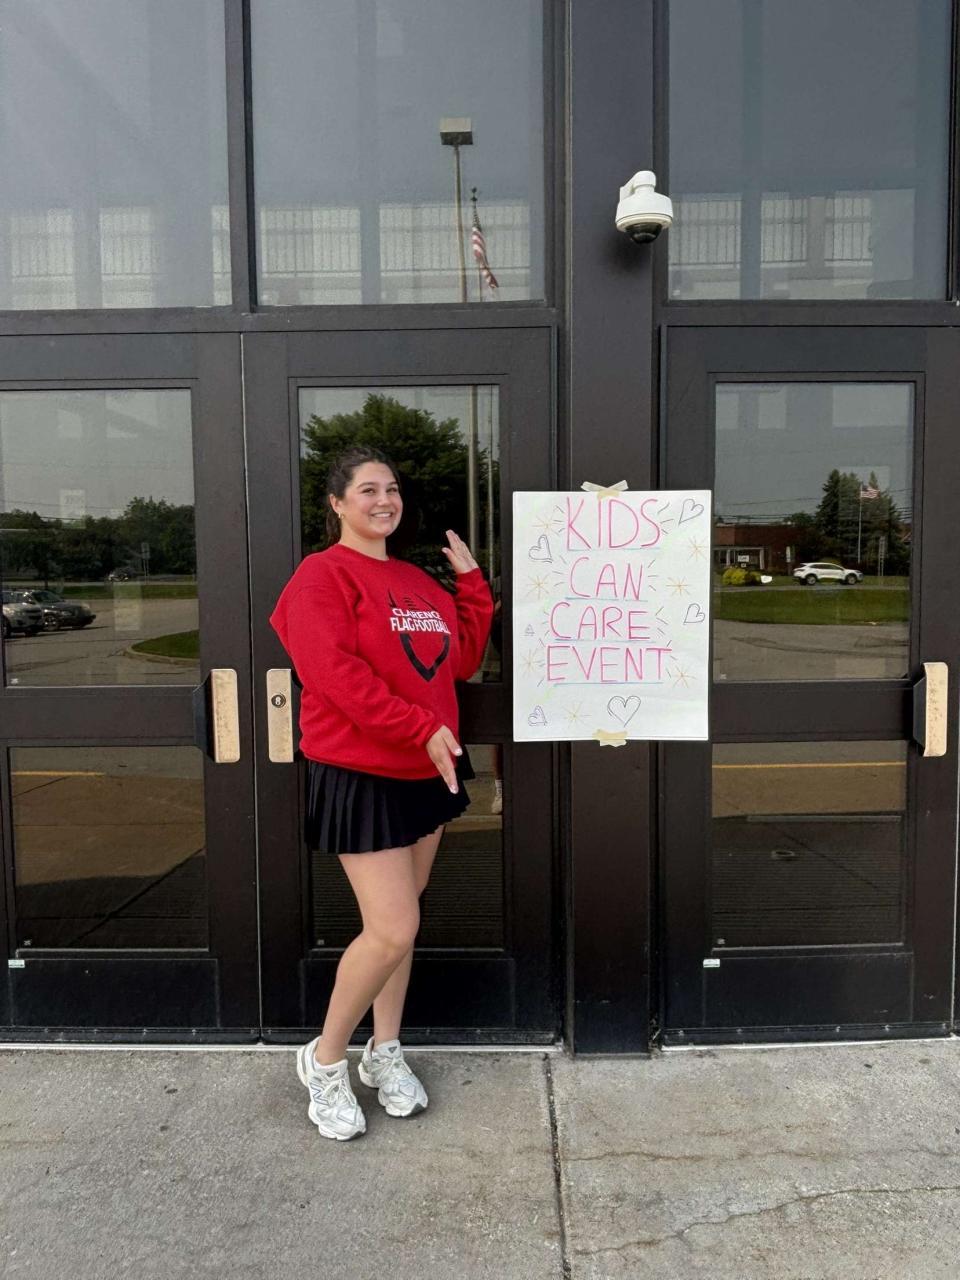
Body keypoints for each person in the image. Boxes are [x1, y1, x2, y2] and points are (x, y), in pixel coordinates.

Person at [269, 445, 493, 1140]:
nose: (383, 500)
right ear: (337, 504)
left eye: (391, 489)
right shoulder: (320, 576)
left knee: (403, 926)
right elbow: (331, 674)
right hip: (361, 771)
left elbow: (458, 660)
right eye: (367, 490)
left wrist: (472, 588)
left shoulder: (415, 581)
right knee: (392, 927)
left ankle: (384, 1050)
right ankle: (324, 1060)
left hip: (426, 770)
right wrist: (418, 726)